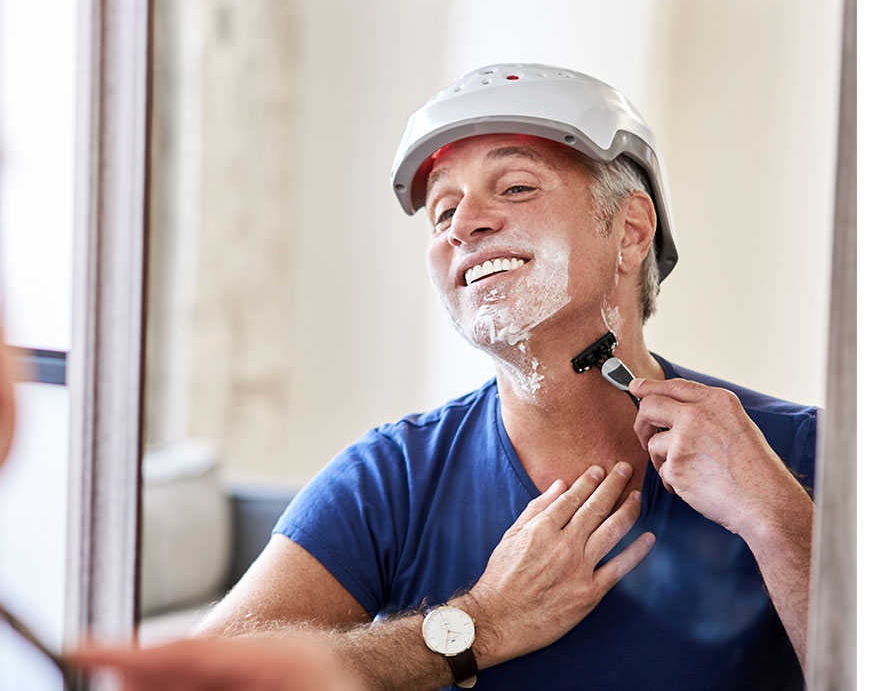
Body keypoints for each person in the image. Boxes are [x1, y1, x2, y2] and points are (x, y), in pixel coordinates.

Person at [83, 63, 817, 690]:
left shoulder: (801, 453)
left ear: (629, 230)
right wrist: (478, 625)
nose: (464, 225)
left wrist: (776, 517)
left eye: (516, 187)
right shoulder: (392, 479)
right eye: (442, 212)